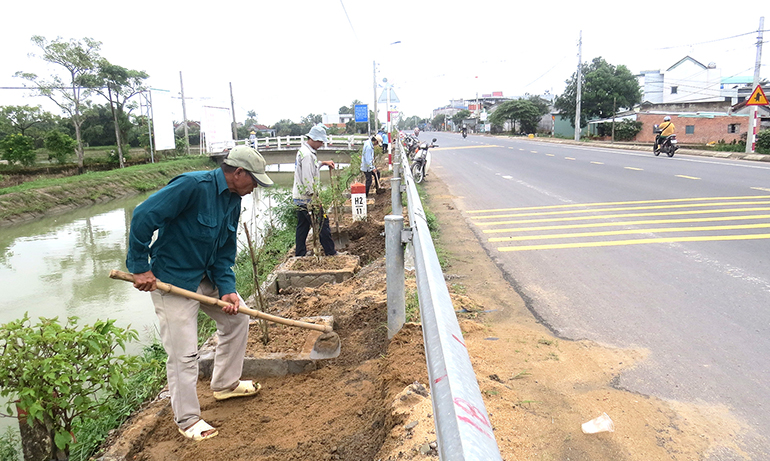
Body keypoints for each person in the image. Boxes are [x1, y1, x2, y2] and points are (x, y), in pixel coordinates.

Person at [126, 145, 274, 442]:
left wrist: (229, 290)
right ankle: (188, 419)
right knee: (184, 354)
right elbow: (143, 216)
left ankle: (225, 384)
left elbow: (224, 251)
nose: (255, 187)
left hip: (206, 276)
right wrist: (139, 267)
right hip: (174, 279)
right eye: (254, 181)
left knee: (237, 320)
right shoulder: (192, 186)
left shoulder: (233, 199)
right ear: (238, 173)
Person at [293, 123, 338, 257]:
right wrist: (315, 199)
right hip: (308, 199)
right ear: (313, 139)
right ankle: (331, 252)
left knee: (303, 227)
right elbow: (307, 180)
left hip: (300, 198)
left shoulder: (305, 152)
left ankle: (300, 253)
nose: (321, 145)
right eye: (320, 142)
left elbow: (311, 169)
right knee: (323, 223)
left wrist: (323, 163)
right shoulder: (307, 155)